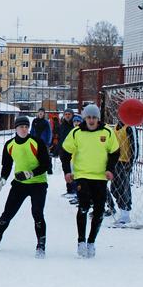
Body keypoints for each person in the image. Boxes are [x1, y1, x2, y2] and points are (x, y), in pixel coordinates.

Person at [0, 115, 50, 258]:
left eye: (26, 127)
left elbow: (46, 164)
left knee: (37, 213)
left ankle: (41, 245)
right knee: (7, 213)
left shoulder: (36, 142)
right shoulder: (10, 144)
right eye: (21, 127)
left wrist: (31, 173)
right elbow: (7, 165)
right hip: (19, 184)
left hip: (38, 183)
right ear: (16, 128)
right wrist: (2, 178)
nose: (24, 129)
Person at [60, 104, 120, 258]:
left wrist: (110, 169)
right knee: (84, 206)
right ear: (84, 118)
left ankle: (91, 241)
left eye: (94, 117)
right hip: (82, 175)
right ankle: (81, 241)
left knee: (99, 210)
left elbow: (114, 152)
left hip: (100, 177)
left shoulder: (107, 132)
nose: (91, 120)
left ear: (98, 118)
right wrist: (67, 171)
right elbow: (65, 152)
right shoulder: (76, 133)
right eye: (88, 117)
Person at [109, 120, 137, 225]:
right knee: (114, 188)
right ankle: (122, 209)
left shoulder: (130, 127)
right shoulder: (116, 126)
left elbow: (135, 146)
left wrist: (132, 162)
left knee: (123, 187)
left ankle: (125, 214)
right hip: (115, 161)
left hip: (125, 162)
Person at [57, 109, 77, 197]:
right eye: (66, 114)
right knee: (66, 170)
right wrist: (58, 150)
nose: (67, 116)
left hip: (73, 152)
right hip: (63, 152)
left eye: (69, 114)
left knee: (73, 171)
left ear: (72, 115)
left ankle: (75, 190)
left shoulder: (75, 125)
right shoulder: (61, 126)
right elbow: (60, 139)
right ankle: (69, 189)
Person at [30, 108, 53, 174]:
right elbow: (32, 131)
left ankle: (49, 169)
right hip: (35, 141)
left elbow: (49, 132)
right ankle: (37, 168)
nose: (40, 113)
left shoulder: (46, 122)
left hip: (44, 142)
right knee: (35, 155)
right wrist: (30, 139)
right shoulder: (34, 121)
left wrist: (48, 142)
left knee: (47, 155)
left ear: (44, 114)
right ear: (37, 113)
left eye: (42, 112)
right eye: (39, 112)